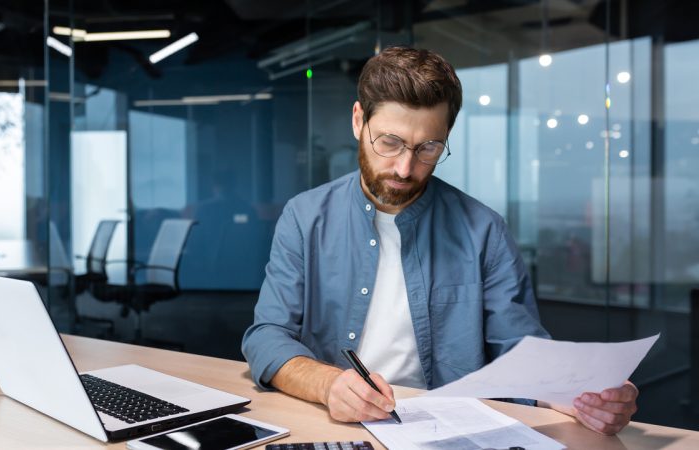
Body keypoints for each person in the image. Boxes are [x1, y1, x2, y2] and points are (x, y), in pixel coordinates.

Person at [241, 47, 638, 435]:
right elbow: (266, 336)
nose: (404, 167)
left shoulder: (483, 230)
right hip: (333, 426)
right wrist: (329, 385)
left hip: (445, 433)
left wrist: (579, 395)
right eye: (390, 142)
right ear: (359, 120)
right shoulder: (305, 216)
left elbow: (520, 352)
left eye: (428, 148)